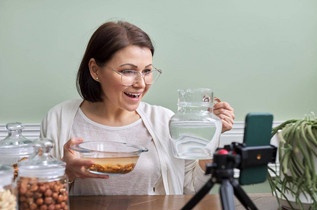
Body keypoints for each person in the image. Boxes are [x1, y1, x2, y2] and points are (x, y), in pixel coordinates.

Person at [40, 21, 235, 195]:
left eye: (147, 71)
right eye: (128, 71)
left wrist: (212, 136)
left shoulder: (164, 120)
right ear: (95, 70)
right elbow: (40, 197)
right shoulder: (59, 119)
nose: (141, 83)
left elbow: (192, 186)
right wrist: (66, 172)